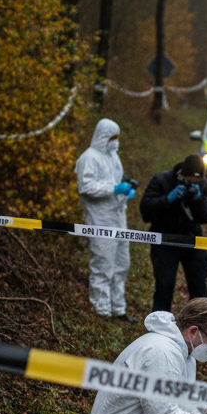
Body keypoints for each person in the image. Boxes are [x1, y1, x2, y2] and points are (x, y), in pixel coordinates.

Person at [75, 117, 137, 321]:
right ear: (103, 136)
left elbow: (116, 179)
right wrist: (113, 189)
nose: (116, 141)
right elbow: (86, 187)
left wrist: (126, 188)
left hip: (118, 218)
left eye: (117, 137)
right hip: (100, 220)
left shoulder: (113, 156)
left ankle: (118, 308)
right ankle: (101, 310)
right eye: (113, 137)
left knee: (122, 264)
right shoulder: (89, 158)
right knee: (102, 265)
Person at [140, 154, 207, 312]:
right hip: (165, 241)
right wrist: (167, 199)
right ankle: (160, 328)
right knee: (164, 287)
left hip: (193, 240)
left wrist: (198, 200)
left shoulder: (203, 183)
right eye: (189, 180)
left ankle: (199, 326)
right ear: (182, 174)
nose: (193, 183)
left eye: (197, 181)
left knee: (199, 288)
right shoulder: (162, 180)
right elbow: (145, 210)